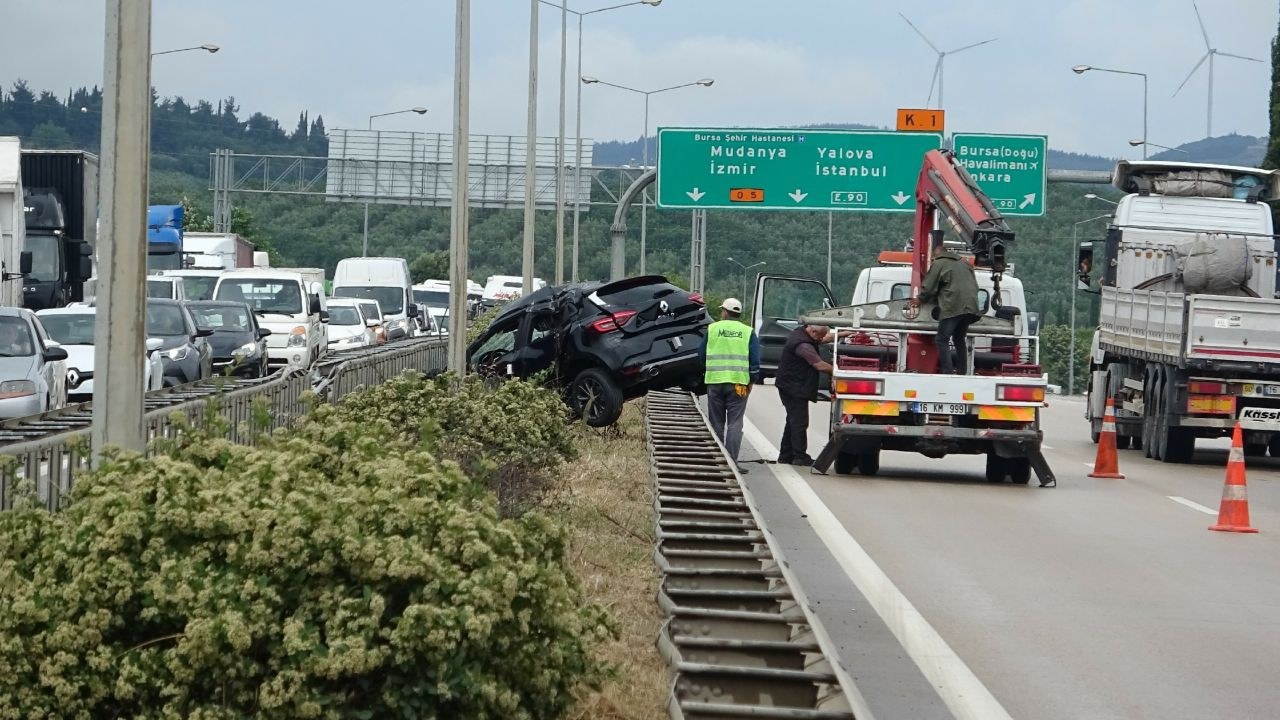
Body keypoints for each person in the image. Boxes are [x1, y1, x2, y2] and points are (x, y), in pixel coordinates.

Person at [701, 298, 760, 472]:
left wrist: (704, 371)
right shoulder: (748, 332)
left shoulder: (712, 329)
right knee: (735, 423)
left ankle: (717, 462)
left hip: (715, 381)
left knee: (716, 422)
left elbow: (700, 354)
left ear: (725, 312)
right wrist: (752, 381)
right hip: (738, 383)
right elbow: (755, 361)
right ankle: (731, 463)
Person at [912, 235, 980, 375]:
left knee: (942, 339)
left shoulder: (939, 263)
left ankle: (947, 372)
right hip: (971, 307)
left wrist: (919, 300)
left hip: (953, 306)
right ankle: (962, 372)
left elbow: (929, 287)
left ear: (936, 255)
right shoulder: (965, 263)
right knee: (959, 338)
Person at [775, 324, 833, 467]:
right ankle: (800, 456)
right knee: (799, 422)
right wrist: (838, 371)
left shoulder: (803, 334)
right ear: (813, 331)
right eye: (819, 336)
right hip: (793, 387)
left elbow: (824, 338)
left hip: (791, 385)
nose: (821, 340)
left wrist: (844, 333)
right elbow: (819, 365)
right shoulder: (802, 345)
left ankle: (785, 455)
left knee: (792, 421)